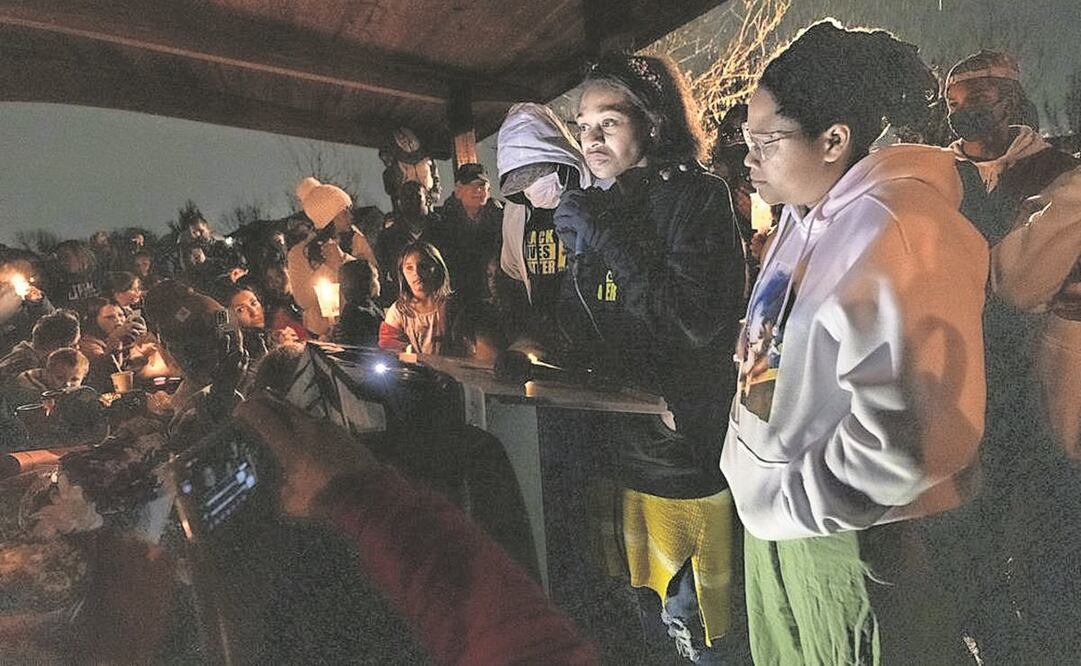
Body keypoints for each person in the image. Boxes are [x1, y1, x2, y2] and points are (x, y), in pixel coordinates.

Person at [718, 21, 988, 664]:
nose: (747, 158)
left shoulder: (900, 228)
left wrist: (788, 503)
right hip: (785, 536)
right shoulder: (805, 215)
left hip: (853, 548)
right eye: (745, 141)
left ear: (835, 139)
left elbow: (913, 439)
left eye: (765, 141)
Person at [553, 54, 746, 662]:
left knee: (698, 634)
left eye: (607, 122)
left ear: (654, 123)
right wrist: (576, 259)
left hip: (678, 461)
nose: (591, 139)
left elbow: (693, 319)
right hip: (616, 453)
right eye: (583, 126)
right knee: (645, 631)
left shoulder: (699, 197)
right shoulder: (601, 204)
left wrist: (605, 238)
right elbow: (582, 332)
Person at [495, 102, 594, 354]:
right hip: (544, 343)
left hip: (596, 338)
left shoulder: (599, 195)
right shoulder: (515, 212)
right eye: (521, 183)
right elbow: (513, 274)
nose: (530, 189)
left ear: (561, 161)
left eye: (537, 175)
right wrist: (522, 332)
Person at [288, 177, 377, 339]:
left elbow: (374, 287)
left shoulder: (357, 241)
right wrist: (325, 267)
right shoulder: (299, 254)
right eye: (344, 211)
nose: (351, 216)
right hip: (322, 335)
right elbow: (303, 300)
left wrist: (343, 261)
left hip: (360, 329)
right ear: (330, 218)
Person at [378, 241, 488, 357]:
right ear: (402, 273)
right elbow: (391, 350)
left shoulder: (455, 307)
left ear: (437, 268)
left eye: (423, 266)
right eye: (409, 268)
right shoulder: (399, 312)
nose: (417, 273)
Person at [430, 163, 504, 305]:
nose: (478, 190)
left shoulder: (500, 216)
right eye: (471, 185)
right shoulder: (443, 223)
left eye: (482, 185)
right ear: (458, 190)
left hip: (495, 296)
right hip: (459, 297)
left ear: (489, 190)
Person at [376, 181, 437, 303]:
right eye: (405, 197)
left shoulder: (443, 230)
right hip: (405, 305)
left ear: (428, 199)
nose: (410, 201)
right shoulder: (388, 238)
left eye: (416, 196)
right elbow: (381, 274)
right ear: (399, 202)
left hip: (441, 301)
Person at [0, 309, 81, 380]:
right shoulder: (29, 368)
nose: (77, 348)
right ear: (58, 346)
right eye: (73, 345)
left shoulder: (22, 354)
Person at [331, 259, 384, 347]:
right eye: (375, 278)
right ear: (365, 282)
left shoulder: (371, 306)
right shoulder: (355, 312)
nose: (378, 283)